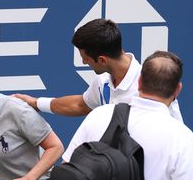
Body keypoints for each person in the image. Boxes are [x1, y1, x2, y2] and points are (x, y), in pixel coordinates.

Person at [62, 51, 193, 180]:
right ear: (177, 89)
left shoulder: (99, 115)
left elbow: (67, 172)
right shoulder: (182, 137)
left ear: (139, 82)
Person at [14, 18, 183, 122]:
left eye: (85, 58)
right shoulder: (102, 84)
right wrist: (36, 103)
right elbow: (79, 104)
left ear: (102, 60)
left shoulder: (150, 88)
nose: (83, 61)